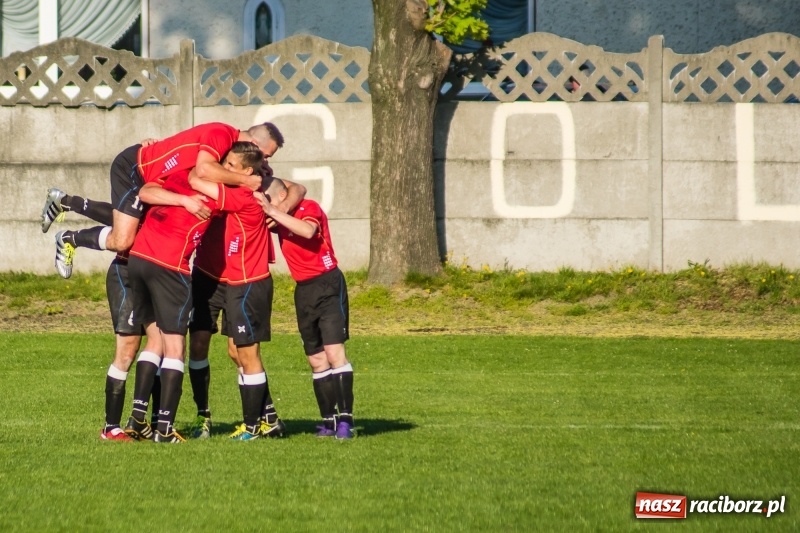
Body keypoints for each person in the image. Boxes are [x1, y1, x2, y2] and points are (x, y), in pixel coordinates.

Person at [41, 121, 304, 278]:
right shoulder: (221, 135)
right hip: (136, 169)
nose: (266, 162)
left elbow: (298, 188)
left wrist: (279, 208)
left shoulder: (237, 157)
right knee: (123, 240)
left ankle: (64, 201)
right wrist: (246, 180)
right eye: (266, 155)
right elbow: (202, 170)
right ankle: (67, 239)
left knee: (132, 225)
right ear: (255, 142)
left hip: (152, 176)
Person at [188, 142, 285, 440]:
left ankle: (253, 426)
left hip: (246, 284)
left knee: (247, 352)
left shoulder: (242, 196)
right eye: (224, 162)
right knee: (234, 350)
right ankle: (260, 420)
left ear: (246, 171)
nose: (224, 168)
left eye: (230, 165)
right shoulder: (244, 190)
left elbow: (194, 178)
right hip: (223, 281)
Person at [258, 178, 356, 439]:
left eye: (268, 198)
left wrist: (274, 213)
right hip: (304, 291)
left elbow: (308, 231)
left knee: (335, 354)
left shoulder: (308, 207)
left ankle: (346, 421)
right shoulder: (278, 218)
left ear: (281, 196)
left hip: (328, 285)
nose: (265, 204)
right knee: (316, 360)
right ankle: (328, 421)